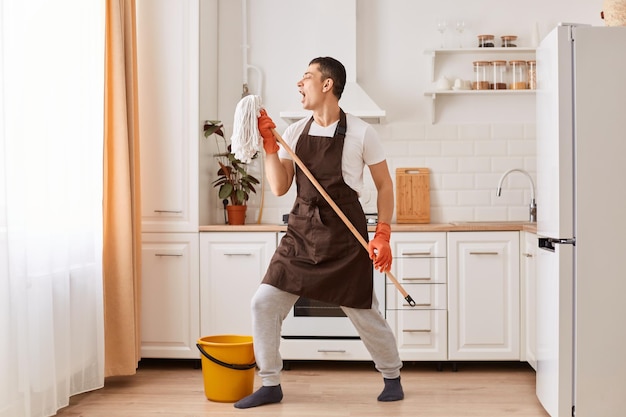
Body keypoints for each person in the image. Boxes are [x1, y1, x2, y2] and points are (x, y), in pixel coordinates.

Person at [233, 56, 403, 409]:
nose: (299, 83)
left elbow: (385, 185)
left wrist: (383, 232)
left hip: (344, 236)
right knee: (263, 303)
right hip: (301, 233)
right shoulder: (293, 133)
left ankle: (391, 374)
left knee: (363, 311)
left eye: (307, 77)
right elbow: (280, 187)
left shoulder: (361, 132)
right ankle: (270, 384)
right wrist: (269, 147)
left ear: (327, 85)